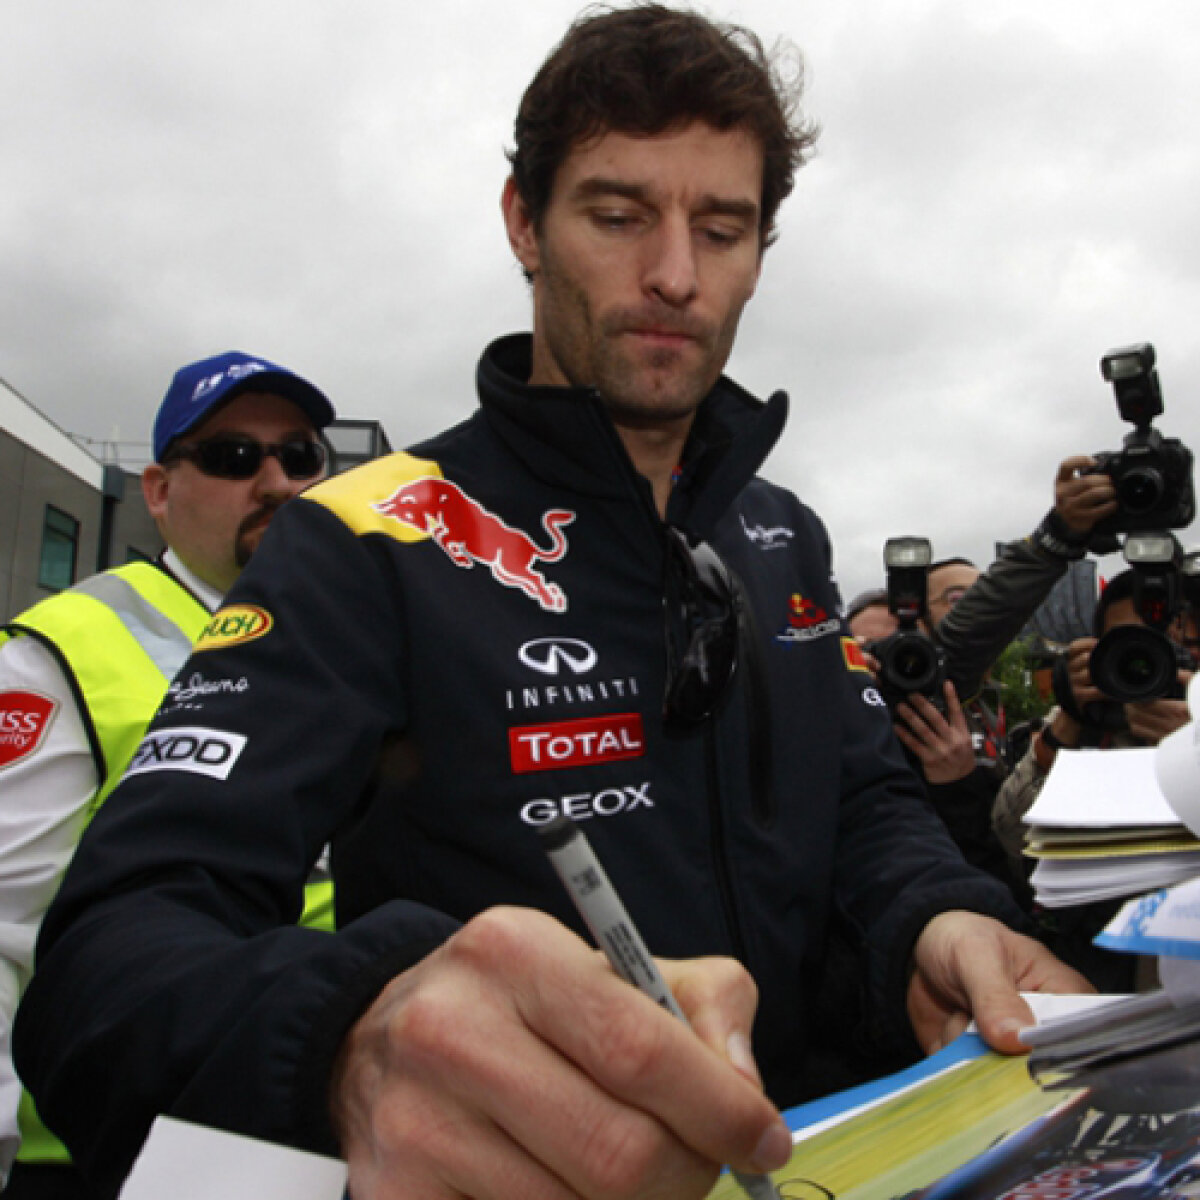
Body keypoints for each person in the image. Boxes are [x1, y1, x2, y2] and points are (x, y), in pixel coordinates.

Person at [15, 10, 1091, 1199]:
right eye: (619, 216)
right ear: (524, 222)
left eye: (721, 228)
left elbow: (866, 803)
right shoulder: (366, 535)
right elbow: (102, 967)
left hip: (837, 1156)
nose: (675, 274)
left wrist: (937, 921)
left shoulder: (782, 531)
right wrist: (349, 1042)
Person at [0, 351, 336, 1198]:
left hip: (318, 1131)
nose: (276, 483)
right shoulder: (63, 651)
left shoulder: (341, 638)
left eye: (300, 456)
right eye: (232, 456)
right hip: (107, 1158)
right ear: (157, 490)